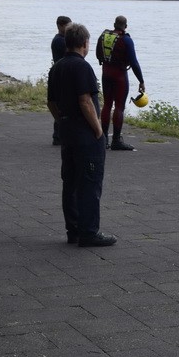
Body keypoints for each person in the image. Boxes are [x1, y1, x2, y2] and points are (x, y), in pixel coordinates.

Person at [46, 23, 116, 247]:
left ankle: (73, 229)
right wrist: (98, 130)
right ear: (85, 43)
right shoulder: (83, 67)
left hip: (68, 132)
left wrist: (62, 120)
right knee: (90, 182)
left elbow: (51, 102)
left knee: (70, 182)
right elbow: (85, 100)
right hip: (86, 135)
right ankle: (89, 232)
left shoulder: (57, 68)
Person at [98, 15, 145, 151]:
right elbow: (134, 62)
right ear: (125, 26)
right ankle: (116, 141)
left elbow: (97, 54)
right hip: (120, 76)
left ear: (114, 24)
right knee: (119, 106)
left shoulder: (104, 36)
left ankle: (104, 139)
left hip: (106, 73)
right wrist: (141, 81)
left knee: (107, 104)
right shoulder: (126, 40)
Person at [50, 16, 71, 145]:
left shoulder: (61, 39)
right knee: (62, 105)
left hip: (61, 73)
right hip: (62, 75)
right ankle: (58, 134)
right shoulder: (60, 41)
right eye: (68, 26)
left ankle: (59, 134)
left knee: (61, 105)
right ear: (60, 26)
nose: (70, 29)